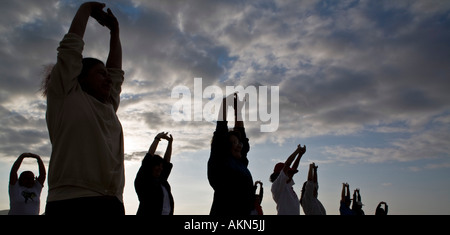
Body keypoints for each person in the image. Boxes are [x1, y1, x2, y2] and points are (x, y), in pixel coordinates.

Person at [43, 2, 125, 215]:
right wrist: (86, 8)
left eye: (107, 76)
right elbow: (71, 48)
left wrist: (115, 33)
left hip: (112, 202)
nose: (108, 80)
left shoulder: (108, 105)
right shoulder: (66, 96)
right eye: (100, 74)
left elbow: (116, 72)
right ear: (80, 77)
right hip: (71, 201)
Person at [208, 93, 255, 215]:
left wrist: (238, 111)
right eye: (234, 143)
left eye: (239, 143)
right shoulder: (220, 161)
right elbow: (220, 130)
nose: (239, 145)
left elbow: (241, 133)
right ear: (226, 147)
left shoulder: (241, 162)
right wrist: (225, 102)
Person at [135, 132, 174, 215]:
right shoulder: (143, 180)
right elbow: (148, 157)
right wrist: (157, 139)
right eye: (157, 166)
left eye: (161, 166)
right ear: (151, 166)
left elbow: (166, 162)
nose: (160, 168)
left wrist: (170, 143)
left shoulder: (161, 181)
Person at [270, 144, 306, 215]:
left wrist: (300, 155)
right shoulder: (277, 186)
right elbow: (287, 164)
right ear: (280, 174)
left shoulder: (287, 185)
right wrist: (297, 151)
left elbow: (294, 168)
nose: (291, 175)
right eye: (288, 172)